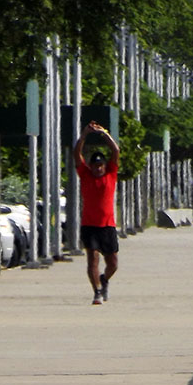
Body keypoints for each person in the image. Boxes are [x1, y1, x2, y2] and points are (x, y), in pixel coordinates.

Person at [73, 120, 121, 305]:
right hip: (90, 225)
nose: (98, 168)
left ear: (104, 166)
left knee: (113, 264)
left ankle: (104, 280)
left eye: (101, 165)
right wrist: (84, 135)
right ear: (91, 166)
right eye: (95, 166)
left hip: (107, 225)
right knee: (92, 259)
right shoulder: (85, 175)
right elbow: (76, 154)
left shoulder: (111, 174)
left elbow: (115, 151)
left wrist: (103, 134)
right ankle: (97, 292)